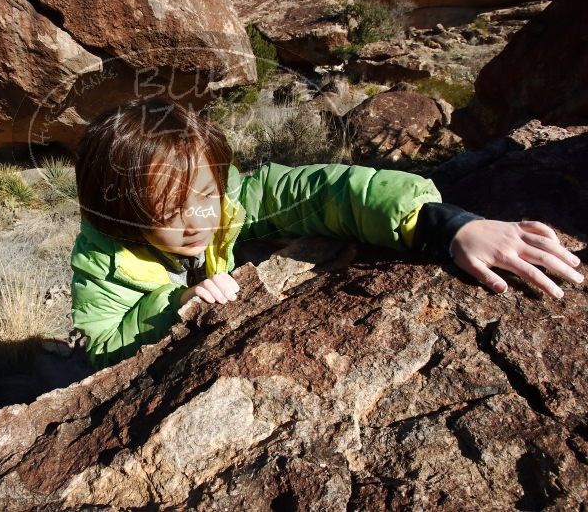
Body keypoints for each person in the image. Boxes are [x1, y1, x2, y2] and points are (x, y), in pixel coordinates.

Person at [70, 97, 583, 369]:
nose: (197, 222)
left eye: (206, 195)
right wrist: (177, 300)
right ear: (125, 217)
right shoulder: (101, 257)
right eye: (167, 212)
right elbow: (103, 346)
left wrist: (442, 224)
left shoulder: (237, 201)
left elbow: (330, 190)